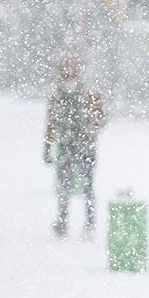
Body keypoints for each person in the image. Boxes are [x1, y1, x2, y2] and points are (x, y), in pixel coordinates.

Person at [44, 54, 107, 239]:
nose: (68, 76)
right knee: (65, 188)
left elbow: (102, 118)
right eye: (65, 72)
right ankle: (64, 222)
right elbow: (51, 122)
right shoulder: (57, 96)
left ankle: (89, 224)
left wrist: (91, 131)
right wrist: (48, 146)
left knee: (87, 188)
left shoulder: (90, 93)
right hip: (66, 147)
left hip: (84, 147)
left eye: (72, 71)